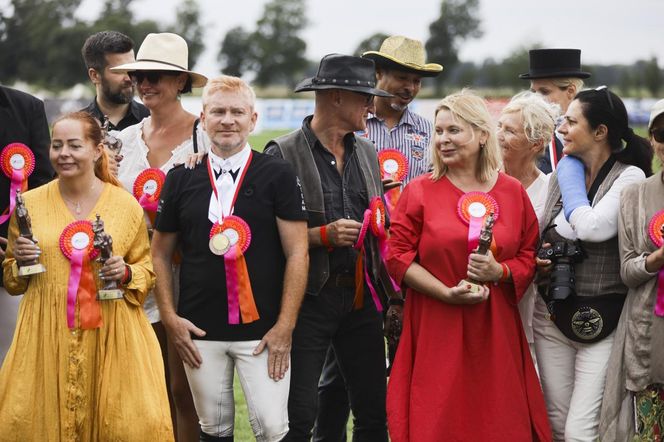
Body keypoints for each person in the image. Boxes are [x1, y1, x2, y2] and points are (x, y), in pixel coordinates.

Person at [386, 89, 551, 441]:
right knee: (438, 414)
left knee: (496, 415)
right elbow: (397, 255)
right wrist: (444, 292)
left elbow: (527, 254)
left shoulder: (511, 192)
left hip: (494, 325)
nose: (443, 139)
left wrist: (499, 272)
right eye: (439, 131)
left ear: (481, 135)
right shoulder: (419, 191)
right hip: (434, 321)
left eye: (454, 130)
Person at [152, 75, 308, 442]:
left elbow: (298, 252)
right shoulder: (179, 178)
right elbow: (159, 253)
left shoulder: (278, 174)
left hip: (263, 332)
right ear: (203, 118)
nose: (227, 120)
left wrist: (284, 327)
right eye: (218, 111)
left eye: (237, 112)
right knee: (213, 428)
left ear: (253, 120)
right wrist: (171, 319)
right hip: (199, 329)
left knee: (272, 427)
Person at [0, 111, 172, 440]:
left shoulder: (126, 206)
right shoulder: (28, 204)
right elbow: (12, 279)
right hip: (45, 334)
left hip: (113, 334)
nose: (63, 153)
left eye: (75, 145)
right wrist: (19, 261)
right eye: (56, 145)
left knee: (124, 424)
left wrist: (124, 272)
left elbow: (146, 272)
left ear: (96, 150)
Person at [313, 35, 442, 441]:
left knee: (406, 365)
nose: (409, 88)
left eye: (416, 82)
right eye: (402, 78)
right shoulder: (347, 128)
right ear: (378, 75)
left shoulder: (428, 132)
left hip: (408, 266)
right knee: (339, 374)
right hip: (358, 269)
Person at [264, 54, 394, 442]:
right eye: (364, 97)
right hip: (308, 301)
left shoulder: (368, 153)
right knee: (298, 416)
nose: (371, 106)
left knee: (373, 414)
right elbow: (263, 239)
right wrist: (323, 236)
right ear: (336, 97)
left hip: (361, 300)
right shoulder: (282, 154)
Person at [534, 87, 652, 441]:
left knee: (580, 432)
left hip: (605, 318)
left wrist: (569, 183)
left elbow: (591, 227)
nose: (562, 129)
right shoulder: (560, 174)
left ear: (600, 132)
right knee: (555, 423)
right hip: (553, 315)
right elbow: (542, 233)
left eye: (571, 121)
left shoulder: (629, 176)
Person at [110, 32, 208, 442]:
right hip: (131, 275)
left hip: (185, 275)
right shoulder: (121, 141)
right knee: (137, 388)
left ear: (181, 82)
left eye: (157, 76)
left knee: (182, 390)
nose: (146, 83)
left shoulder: (206, 136)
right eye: (141, 75)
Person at [599, 99, 664, 440]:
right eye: (663, 133)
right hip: (649, 340)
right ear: (652, 140)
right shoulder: (635, 196)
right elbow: (628, 272)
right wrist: (656, 260)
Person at [497, 91, 559, 365]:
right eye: (498, 126)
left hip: (533, 303)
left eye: (509, 131)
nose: (499, 135)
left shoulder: (550, 191)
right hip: (491, 297)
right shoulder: (482, 184)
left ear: (536, 144)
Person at [0, 85, 54, 364]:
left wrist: (21, 242)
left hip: (11, 260)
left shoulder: (28, 107)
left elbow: (45, 183)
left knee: (11, 361)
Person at [519, 48, 591, 174]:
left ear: (570, 91)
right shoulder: (528, 132)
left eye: (544, 92)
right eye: (534, 92)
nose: (536, 99)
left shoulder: (592, 133)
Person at [81, 30, 150, 132]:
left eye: (132, 69)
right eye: (119, 71)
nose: (129, 78)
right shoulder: (78, 126)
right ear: (94, 75)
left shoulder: (151, 120)